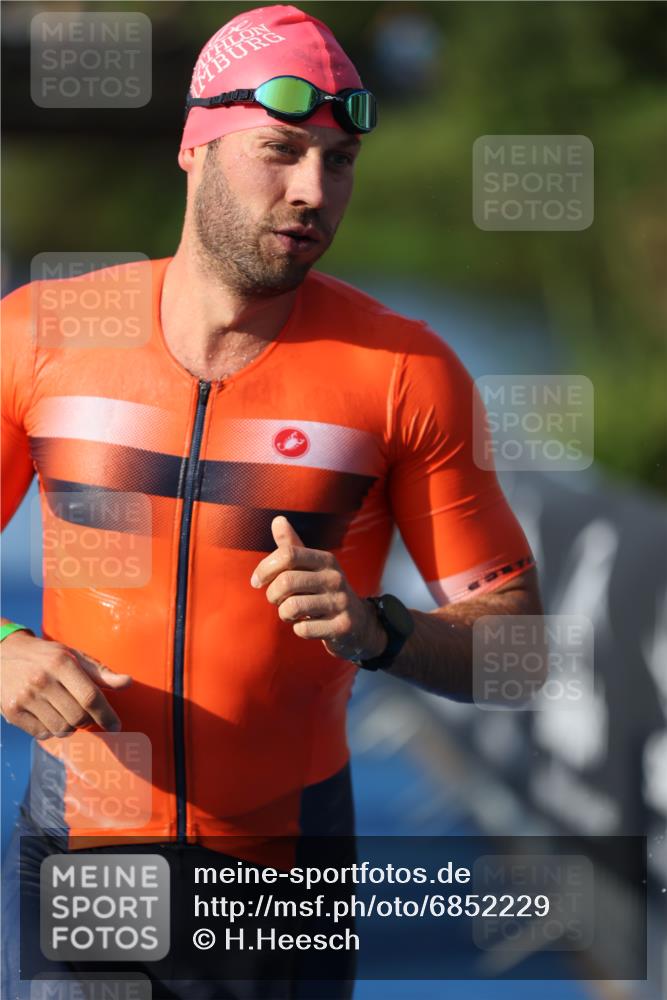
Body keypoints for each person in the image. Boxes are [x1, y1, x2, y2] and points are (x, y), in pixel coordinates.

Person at [1, 5, 543, 998]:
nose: (312, 192)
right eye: (281, 151)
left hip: (277, 871)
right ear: (194, 147)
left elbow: (521, 651)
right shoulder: (41, 333)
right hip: (85, 842)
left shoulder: (405, 372)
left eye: (338, 162)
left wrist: (379, 628)